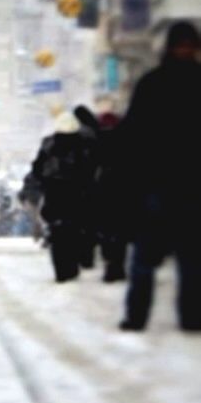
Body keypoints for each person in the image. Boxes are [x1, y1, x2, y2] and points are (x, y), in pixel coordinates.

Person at [118, 20, 201, 331]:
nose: (185, 51)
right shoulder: (155, 84)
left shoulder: (152, 84)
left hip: (166, 187)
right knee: (184, 259)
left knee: (155, 260)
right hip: (175, 188)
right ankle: (187, 317)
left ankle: (143, 316)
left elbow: (131, 137)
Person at [31, 110, 98, 282]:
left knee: (58, 235)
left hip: (55, 196)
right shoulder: (85, 143)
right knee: (74, 232)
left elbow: (37, 169)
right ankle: (72, 266)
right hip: (78, 196)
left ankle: (62, 270)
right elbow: (92, 168)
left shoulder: (49, 144)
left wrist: (44, 185)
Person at [74, 105, 127, 282]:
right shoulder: (122, 138)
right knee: (118, 229)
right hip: (120, 189)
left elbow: (89, 163)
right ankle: (115, 262)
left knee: (104, 228)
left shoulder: (93, 138)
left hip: (101, 189)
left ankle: (107, 261)